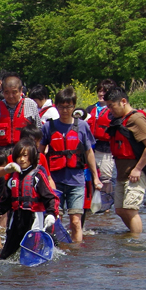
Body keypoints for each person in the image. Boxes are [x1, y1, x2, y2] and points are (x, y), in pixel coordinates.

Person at [41, 88, 103, 243]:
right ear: (56, 106)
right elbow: (40, 155)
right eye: (61, 106)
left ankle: (76, 254)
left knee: (76, 221)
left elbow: (89, 153)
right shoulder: (48, 127)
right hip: (55, 181)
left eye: (68, 106)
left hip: (77, 180)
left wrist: (96, 178)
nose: (65, 110)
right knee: (55, 220)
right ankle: (57, 250)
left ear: (74, 106)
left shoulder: (82, 126)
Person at [0, 138, 61, 260]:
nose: (22, 159)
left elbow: (50, 197)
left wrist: (51, 213)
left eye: (25, 156)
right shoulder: (12, 178)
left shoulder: (37, 176)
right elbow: (5, 202)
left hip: (34, 217)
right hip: (16, 218)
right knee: (6, 255)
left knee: (32, 251)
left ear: (32, 156)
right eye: (19, 156)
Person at [104, 85, 146, 235]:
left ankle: (135, 244)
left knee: (130, 209)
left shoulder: (136, 118)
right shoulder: (120, 120)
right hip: (123, 172)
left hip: (136, 172)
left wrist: (138, 169)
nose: (110, 110)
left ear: (123, 101)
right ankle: (132, 235)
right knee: (120, 210)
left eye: (111, 106)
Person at [0, 73, 40, 163]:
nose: (10, 96)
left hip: (24, 156)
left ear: (21, 90)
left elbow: (38, 131)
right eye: (6, 92)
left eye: (14, 92)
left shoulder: (30, 105)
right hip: (1, 157)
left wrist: (37, 154)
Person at [87, 78, 119, 206]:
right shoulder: (90, 109)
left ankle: (106, 206)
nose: (101, 94)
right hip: (90, 148)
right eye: (99, 91)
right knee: (89, 177)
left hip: (106, 149)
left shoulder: (113, 111)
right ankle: (90, 204)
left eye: (104, 91)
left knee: (105, 178)